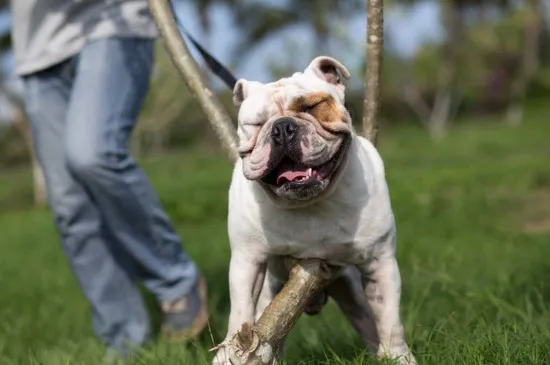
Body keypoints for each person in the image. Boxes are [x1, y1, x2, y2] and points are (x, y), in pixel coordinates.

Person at [10, 0, 209, 360]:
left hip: (111, 22)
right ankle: (124, 338)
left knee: (92, 153)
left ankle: (177, 280)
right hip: (36, 48)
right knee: (70, 205)